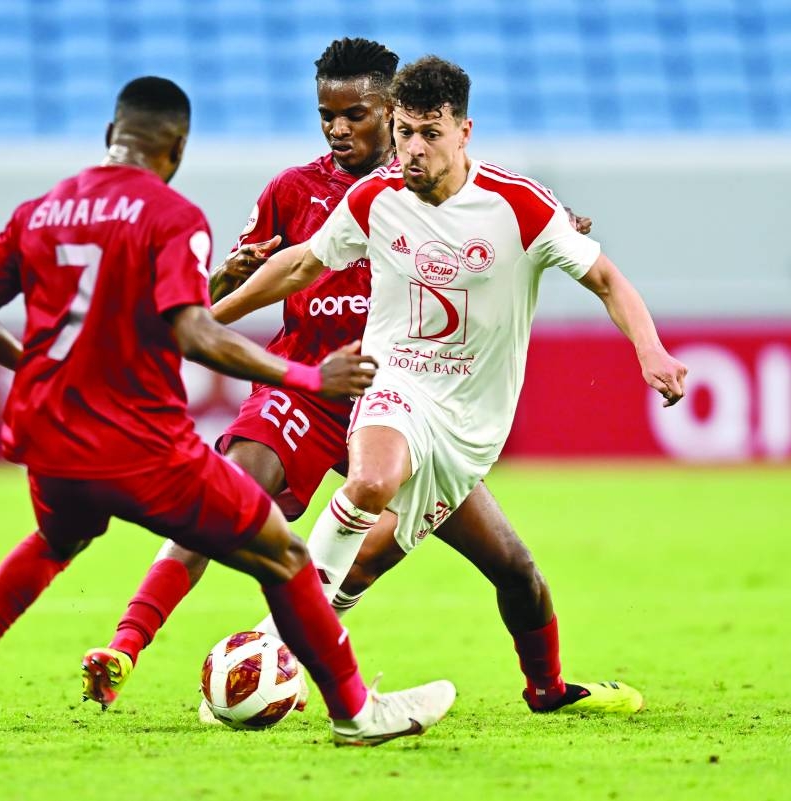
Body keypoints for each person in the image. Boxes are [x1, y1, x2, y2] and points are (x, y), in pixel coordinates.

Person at [0, 76, 456, 751]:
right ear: (179, 148)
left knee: (53, 543)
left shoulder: (37, 212)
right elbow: (193, 333)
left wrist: (40, 368)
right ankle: (356, 711)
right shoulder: (171, 216)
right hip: (142, 445)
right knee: (282, 555)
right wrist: (308, 374)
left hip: (51, 441)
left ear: (111, 136)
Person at [81, 38, 608, 722]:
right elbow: (245, 284)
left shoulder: (453, 192)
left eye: (354, 114)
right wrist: (214, 291)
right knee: (223, 496)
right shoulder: (292, 191)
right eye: (325, 114)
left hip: (404, 401)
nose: (336, 128)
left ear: (394, 114)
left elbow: (519, 240)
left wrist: (554, 235)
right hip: (307, 385)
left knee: (510, 564)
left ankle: (547, 690)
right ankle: (125, 646)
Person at [209, 56, 689, 715]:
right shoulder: (375, 199)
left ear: (465, 131)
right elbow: (300, 265)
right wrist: (205, 321)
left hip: (468, 427)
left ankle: (548, 690)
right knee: (370, 480)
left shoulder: (519, 206)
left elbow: (606, 279)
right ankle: (282, 648)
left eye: (429, 133)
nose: (413, 148)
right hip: (395, 383)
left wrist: (651, 350)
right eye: (404, 131)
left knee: (513, 570)